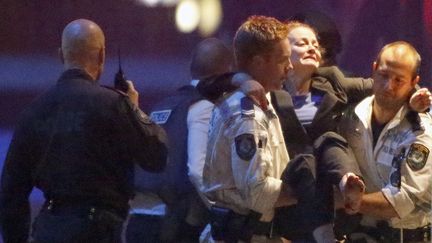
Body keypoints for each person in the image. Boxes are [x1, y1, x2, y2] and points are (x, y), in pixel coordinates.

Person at [0, 19, 167, 243]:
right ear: (102, 56)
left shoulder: (34, 111)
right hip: (98, 230)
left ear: (61, 55)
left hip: (50, 227)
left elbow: (11, 193)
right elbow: (157, 156)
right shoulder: (114, 104)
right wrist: (134, 109)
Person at [319, 41, 432, 242]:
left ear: (414, 82)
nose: (389, 86)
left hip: (405, 236)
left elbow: (400, 202)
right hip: (358, 234)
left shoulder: (421, 131)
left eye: (399, 80)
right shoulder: (351, 116)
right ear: (373, 69)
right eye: (384, 75)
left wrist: (339, 200)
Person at [201, 15, 301, 243]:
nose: (290, 66)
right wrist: (310, 193)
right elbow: (257, 192)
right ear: (258, 62)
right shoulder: (248, 114)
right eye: (282, 59)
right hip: (243, 235)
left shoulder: (254, 101)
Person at [126, 37, 233, 243]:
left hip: (138, 220)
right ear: (227, 72)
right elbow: (197, 171)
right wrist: (223, 212)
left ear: (191, 68)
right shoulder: (204, 107)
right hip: (172, 224)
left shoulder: (163, 106)